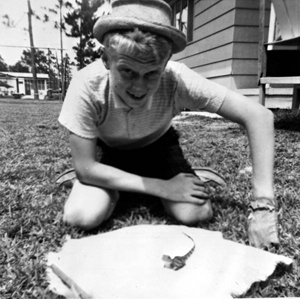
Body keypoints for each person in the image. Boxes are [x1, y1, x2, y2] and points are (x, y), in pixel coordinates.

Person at [58, 0, 279, 249]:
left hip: (159, 147)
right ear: (106, 59)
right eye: (127, 72)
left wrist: (263, 205)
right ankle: (124, 188)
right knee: (81, 215)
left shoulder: (177, 78)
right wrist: (163, 187)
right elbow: (85, 167)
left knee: (195, 212)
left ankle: (137, 186)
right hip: (108, 152)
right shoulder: (86, 84)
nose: (139, 88)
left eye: (152, 73)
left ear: (166, 63)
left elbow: (259, 116)